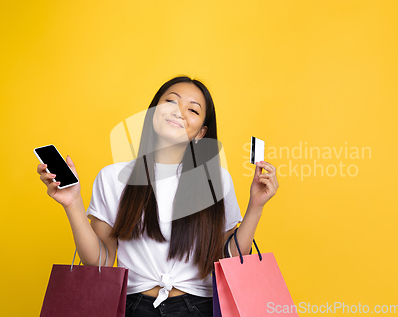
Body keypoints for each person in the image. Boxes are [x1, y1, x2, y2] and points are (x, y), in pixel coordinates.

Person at [37, 75, 279, 316]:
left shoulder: (216, 179)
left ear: (201, 132)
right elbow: (99, 263)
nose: (179, 112)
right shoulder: (113, 177)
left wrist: (256, 205)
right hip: (133, 307)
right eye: (171, 102)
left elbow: (229, 259)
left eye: (193, 110)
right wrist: (73, 203)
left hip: (199, 307)